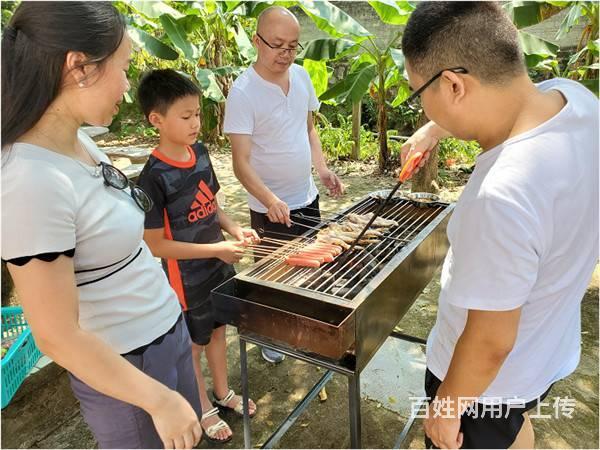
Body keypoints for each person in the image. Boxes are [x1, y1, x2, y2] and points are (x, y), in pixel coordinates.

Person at [1, 3, 202, 449]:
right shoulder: (28, 180)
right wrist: (158, 400)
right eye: (125, 68)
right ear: (80, 67)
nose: (129, 86)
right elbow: (55, 334)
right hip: (127, 371)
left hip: (165, 332)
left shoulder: (81, 143)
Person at [399, 2, 599, 449]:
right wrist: (435, 128)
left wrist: (446, 412)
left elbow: (490, 340)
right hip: (543, 355)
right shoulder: (577, 99)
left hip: (484, 389)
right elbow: (504, 100)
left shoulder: (501, 195)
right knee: (514, 428)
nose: (422, 106)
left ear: (452, 84)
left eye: (419, 93)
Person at [136, 69, 259, 443]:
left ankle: (222, 392)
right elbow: (156, 244)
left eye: (198, 114)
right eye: (185, 116)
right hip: (184, 278)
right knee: (194, 342)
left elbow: (212, 208)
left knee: (219, 329)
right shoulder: (152, 176)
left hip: (218, 265)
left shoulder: (201, 154)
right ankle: (201, 404)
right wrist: (217, 248)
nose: (196, 123)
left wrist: (234, 228)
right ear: (156, 119)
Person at [224, 6, 344, 364]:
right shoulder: (244, 93)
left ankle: (306, 328)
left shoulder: (303, 77)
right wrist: (269, 198)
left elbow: (307, 128)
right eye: (277, 45)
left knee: (310, 264)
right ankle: (272, 336)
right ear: (257, 41)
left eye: (293, 46)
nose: (285, 54)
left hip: (305, 195)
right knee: (274, 275)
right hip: (269, 205)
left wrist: (321, 169)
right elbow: (240, 162)